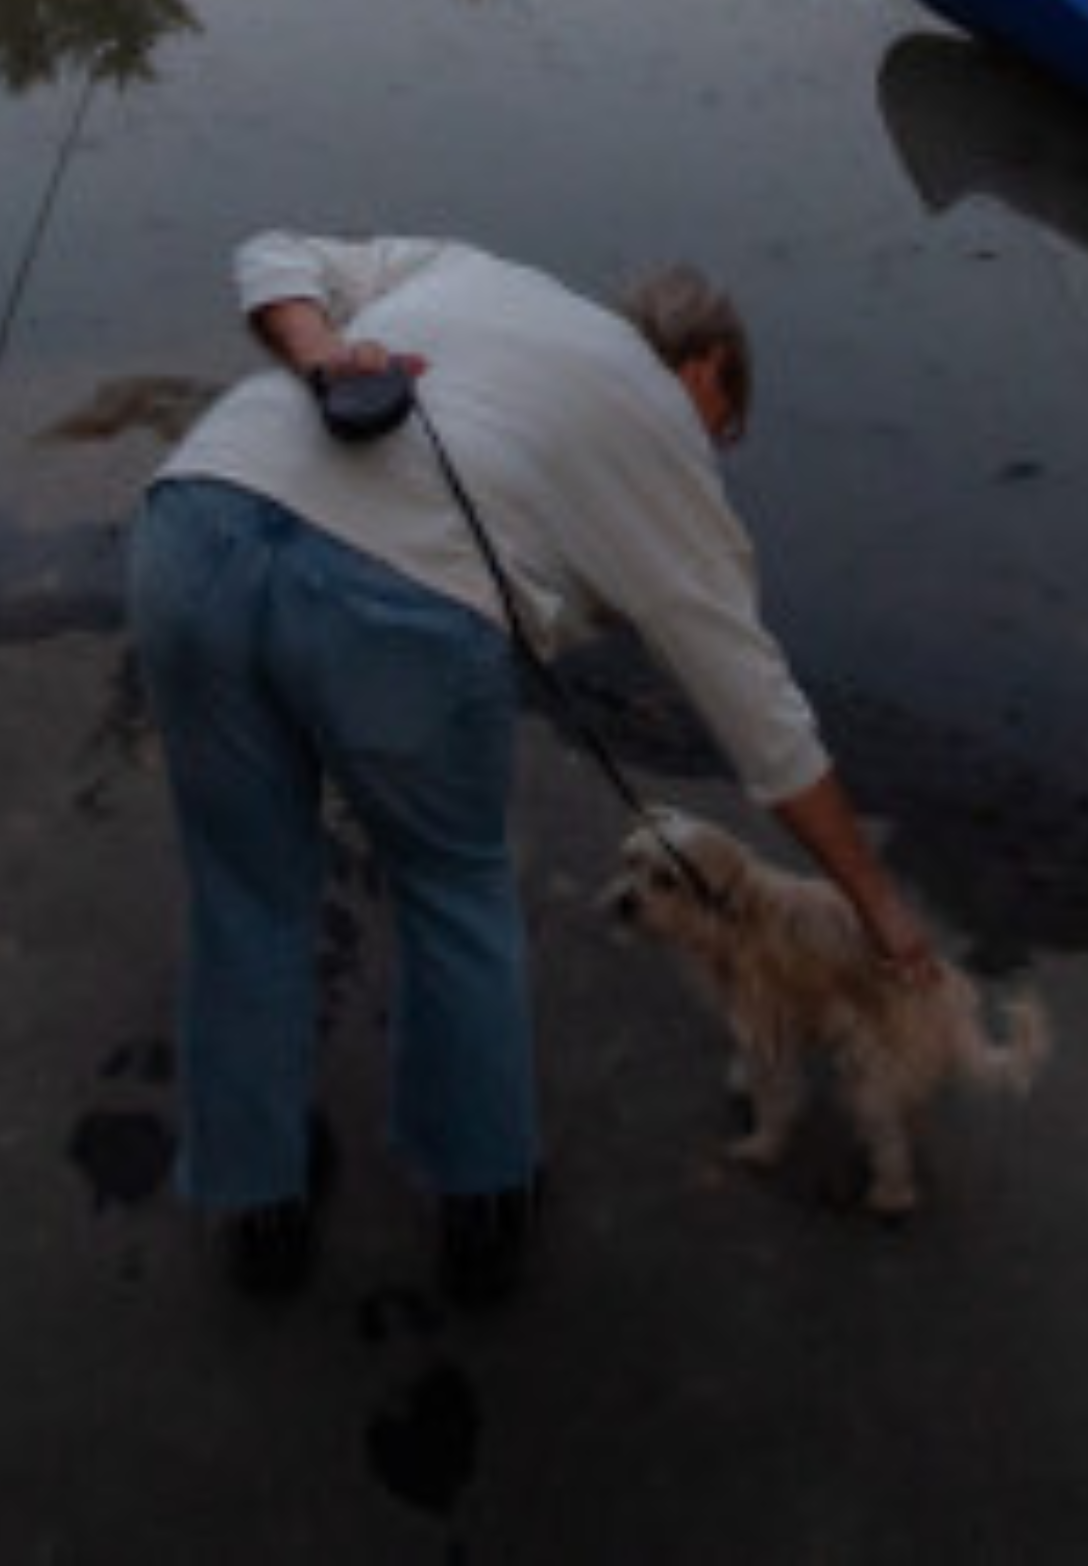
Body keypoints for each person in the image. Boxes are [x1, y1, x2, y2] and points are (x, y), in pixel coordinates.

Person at [127, 230, 937, 1305]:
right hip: (398, 609)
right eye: (725, 425)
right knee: (453, 889)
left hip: (198, 523)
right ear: (704, 369)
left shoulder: (467, 271)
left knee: (246, 896)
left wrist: (323, 353)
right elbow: (762, 718)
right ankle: (481, 1202)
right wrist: (875, 901)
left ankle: (256, 1203)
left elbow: (273, 256)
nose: (716, 449)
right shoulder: (662, 426)